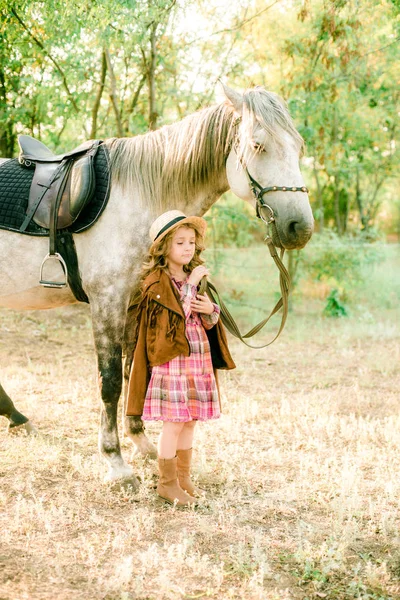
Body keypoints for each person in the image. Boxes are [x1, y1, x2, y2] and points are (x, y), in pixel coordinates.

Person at [126, 210, 235, 506]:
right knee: (174, 423)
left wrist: (210, 309)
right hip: (172, 362)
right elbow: (171, 320)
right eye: (180, 243)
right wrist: (190, 288)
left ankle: (184, 477)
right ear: (164, 249)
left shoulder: (192, 279)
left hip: (196, 359)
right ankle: (167, 483)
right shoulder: (156, 282)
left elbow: (204, 320)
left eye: (191, 243)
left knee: (190, 421)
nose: (188, 248)